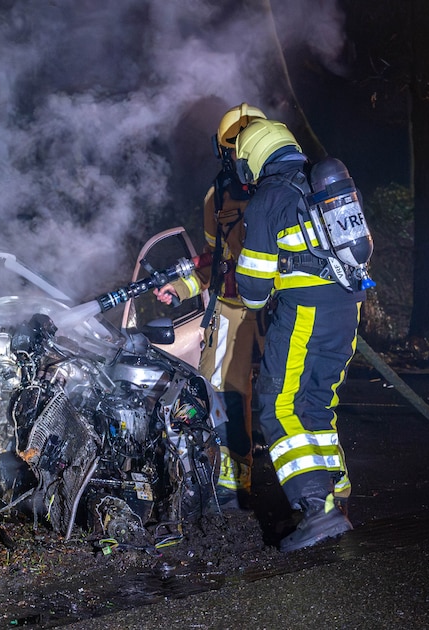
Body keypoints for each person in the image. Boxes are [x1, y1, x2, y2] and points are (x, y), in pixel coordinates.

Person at [230, 114, 366, 552]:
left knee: (276, 403)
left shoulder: (268, 199)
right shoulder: (320, 187)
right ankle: (335, 494)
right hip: (347, 308)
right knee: (315, 402)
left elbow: (251, 290)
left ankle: (316, 510)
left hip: (305, 314)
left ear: (252, 159)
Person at [154, 103, 267, 510]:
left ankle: (312, 482)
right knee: (221, 389)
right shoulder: (216, 197)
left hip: (281, 304)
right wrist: (180, 289)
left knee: (293, 393)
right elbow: (211, 256)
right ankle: (233, 477)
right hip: (234, 306)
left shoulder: (285, 189)